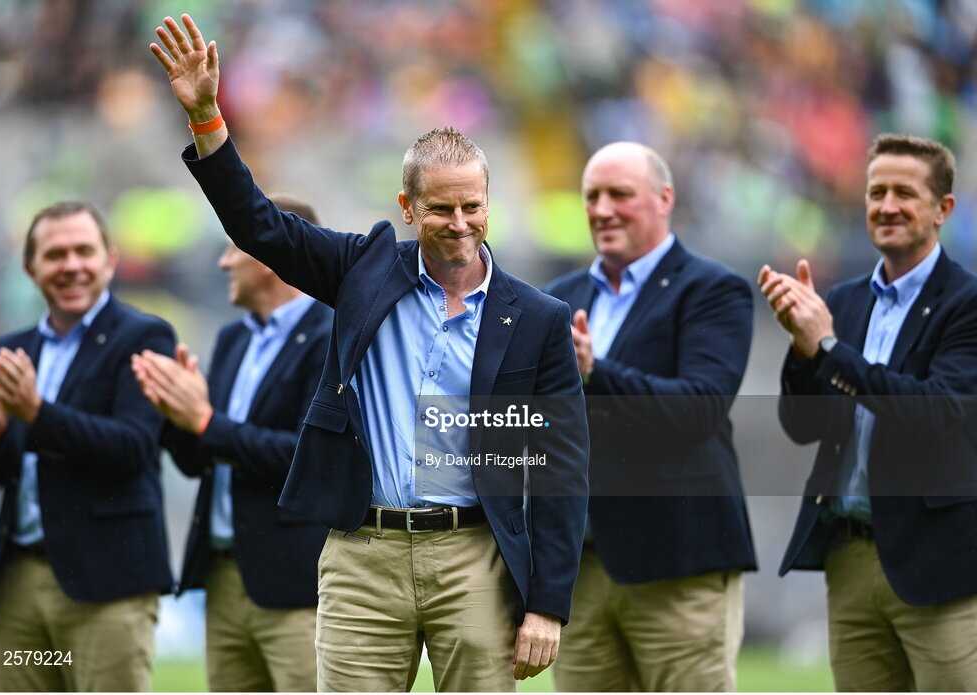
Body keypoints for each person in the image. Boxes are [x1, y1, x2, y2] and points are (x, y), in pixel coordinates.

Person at [149, 14, 589, 692]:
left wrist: (548, 604)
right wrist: (208, 118)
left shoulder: (538, 318)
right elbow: (258, 226)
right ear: (408, 208)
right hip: (362, 555)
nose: (461, 224)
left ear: (490, 204)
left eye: (473, 206)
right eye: (442, 209)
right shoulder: (363, 268)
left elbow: (560, 469)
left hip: (476, 555)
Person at [759, 133, 977, 690]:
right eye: (876, 191)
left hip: (939, 560)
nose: (886, 205)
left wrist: (830, 349)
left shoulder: (967, 303)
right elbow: (802, 426)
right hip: (849, 556)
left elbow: (933, 413)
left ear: (943, 208)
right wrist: (803, 349)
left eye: (905, 192)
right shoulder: (847, 299)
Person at [544, 142, 756, 691]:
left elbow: (700, 409)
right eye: (592, 195)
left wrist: (597, 372)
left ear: (665, 198)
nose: (602, 208)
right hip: (581, 569)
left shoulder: (712, 290)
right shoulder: (558, 299)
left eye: (620, 194)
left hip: (678, 562)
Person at [0, 202, 175, 691]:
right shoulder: (12, 350)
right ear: (30, 267)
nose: (72, 265)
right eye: (55, 254)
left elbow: (133, 449)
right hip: (19, 583)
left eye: (84, 251)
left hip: (108, 584)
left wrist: (37, 413)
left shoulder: (145, 336)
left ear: (110, 260)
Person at [131, 194, 332, 692]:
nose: (223, 262)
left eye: (232, 248)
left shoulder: (332, 334)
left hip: (296, 586)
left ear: (269, 255)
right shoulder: (233, 339)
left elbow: (307, 458)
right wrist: (173, 415)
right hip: (223, 578)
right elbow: (204, 457)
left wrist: (203, 421)